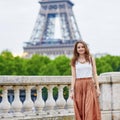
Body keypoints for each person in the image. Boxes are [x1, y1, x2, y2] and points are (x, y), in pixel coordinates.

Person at [70, 40, 101, 120]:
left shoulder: (91, 59)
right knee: (80, 109)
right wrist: (72, 91)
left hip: (89, 85)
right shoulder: (74, 61)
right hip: (79, 86)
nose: (81, 49)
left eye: (82, 47)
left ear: (85, 48)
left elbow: (95, 74)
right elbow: (73, 77)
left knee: (89, 108)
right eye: (79, 47)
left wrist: (97, 88)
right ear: (76, 49)